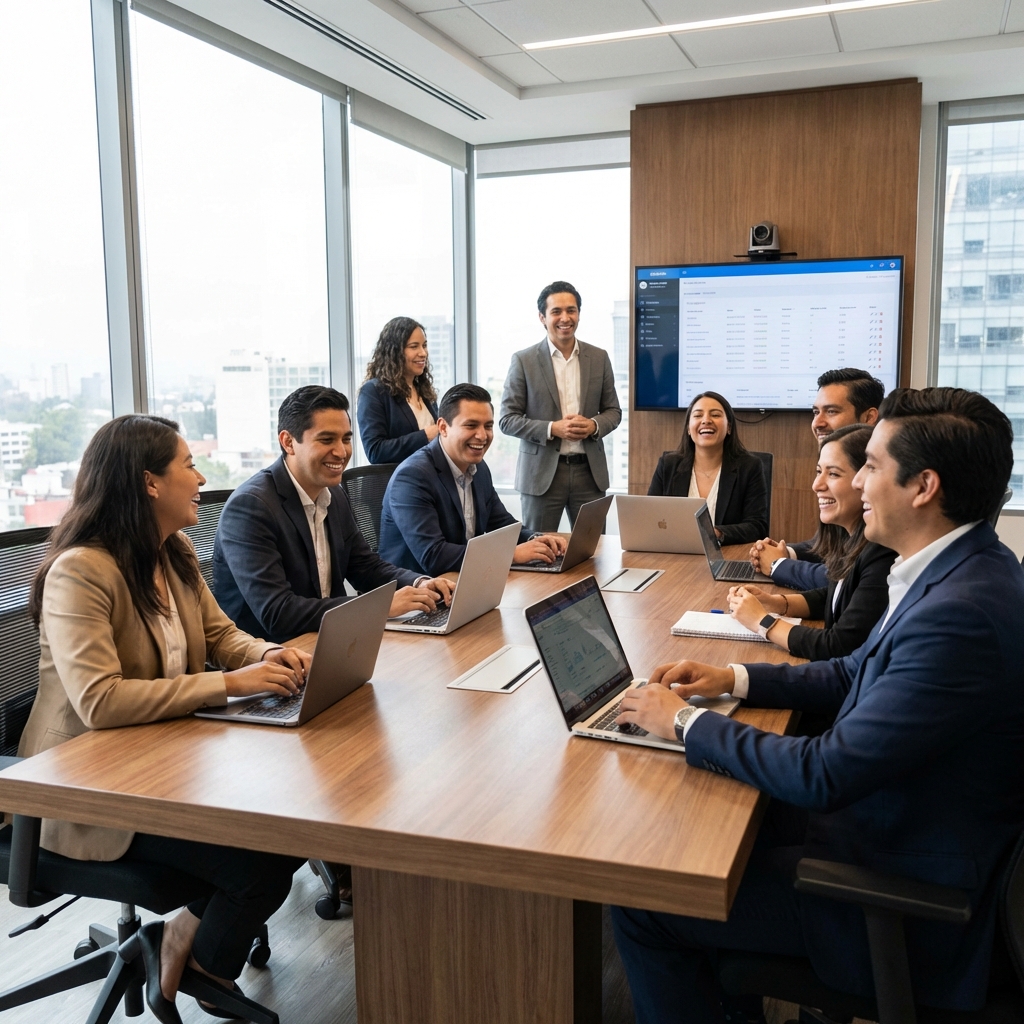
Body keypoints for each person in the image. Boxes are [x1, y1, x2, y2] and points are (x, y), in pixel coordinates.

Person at [610, 387, 1024, 1023]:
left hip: (903, 900)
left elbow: (823, 772)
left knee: (646, 896)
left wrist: (684, 721)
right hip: (891, 824)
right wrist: (733, 678)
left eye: (871, 466)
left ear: (924, 487)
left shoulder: (960, 615)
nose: (856, 482)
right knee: (689, 831)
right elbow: (852, 672)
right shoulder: (962, 570)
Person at [20, 414, 310, 1022]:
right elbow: (100, 701)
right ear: (150, 483)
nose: (201, 479)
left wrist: (266, 655)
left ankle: (182, 940)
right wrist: (229, 684)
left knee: (297, 823)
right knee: (257, 861)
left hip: (165, 762)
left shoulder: (172, 552)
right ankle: (200, 960)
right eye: (189, 465)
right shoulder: (81, 571)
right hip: (86, 788)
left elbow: (221, 635)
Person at [214, 385, 454, 645]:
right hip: (275, 653)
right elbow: (278, 612)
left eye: (346, 439)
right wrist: (379, 606)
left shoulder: (333, 494)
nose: (341, 452)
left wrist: (419, 583)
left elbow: (365, 567)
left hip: (331, 638)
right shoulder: (250, 507)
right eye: (327, 440)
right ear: (288, 442)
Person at [726, 424, 896, 661]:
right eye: (818, 472)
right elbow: (836, 597)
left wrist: (762, 622)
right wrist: (774, 602)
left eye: (833, 474)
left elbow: (838, 646)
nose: (817, 485)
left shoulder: (882, 552)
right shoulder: (847, 537)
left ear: (865, 481)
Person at [379, 382, 567, 576]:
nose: (482, 435)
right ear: (443, 427)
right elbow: (433, 555)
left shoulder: (478, 468)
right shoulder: (412, 476)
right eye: (471, 425)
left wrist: (535, 539)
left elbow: (502, 524)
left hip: (466, 577)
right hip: (420, 586)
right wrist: (509, 554)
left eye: (488, 426)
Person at [499, 281, 621, 533]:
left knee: (593, 549)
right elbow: (507, 419)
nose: (565, 318)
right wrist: (552, 428)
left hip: (589, 473)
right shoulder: (523, 360)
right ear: (542, 317)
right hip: (541, 476)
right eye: (556, 311)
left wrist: (593, 425)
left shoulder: (599, 358)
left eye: (571, 310)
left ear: (579, 314)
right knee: (539, 549)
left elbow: (614, 412)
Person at [749, 367, 885, 588]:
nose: (817, 423)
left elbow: (847, 577)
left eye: (831, 411)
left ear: (869, 417)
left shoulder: (884, 479)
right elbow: (831, 547)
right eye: (815, 412)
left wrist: (778, 564)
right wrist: (785, 552)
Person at [648, 391, 768, 545]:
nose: (706, 420)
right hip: (674, 552)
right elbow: (649, 517)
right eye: (698, 415)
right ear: (688, 428)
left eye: (715, 415)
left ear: (729, 427)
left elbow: (757, 526)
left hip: (727, 555)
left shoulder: (749, 467)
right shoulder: (668, 465)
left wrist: (716, 533)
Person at [357, 316, 439, 464]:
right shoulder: (373, 391)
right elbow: (375, 451)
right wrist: (425, 436)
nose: (423, 353)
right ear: (395, 351)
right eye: (414, 346)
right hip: (398, 477)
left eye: (424, 345)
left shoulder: (425, 391)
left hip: (430, 474)